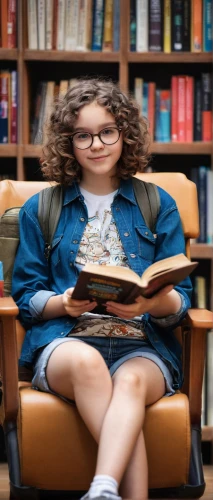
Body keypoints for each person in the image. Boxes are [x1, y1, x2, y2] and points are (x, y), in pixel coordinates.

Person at [12, 78, 192, 500]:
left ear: (124, 134)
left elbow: (180, 302)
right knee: (89, 365)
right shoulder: (42, 208)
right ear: (68, 143)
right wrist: (65, 304)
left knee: (129, 383)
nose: (97, 144)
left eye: (107, 130)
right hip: (68, 342)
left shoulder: (157, 203)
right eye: (83, 135)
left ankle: (103, 489)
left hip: (143, 344)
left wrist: (154, 300)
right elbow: (26, 296)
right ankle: (113, 490)